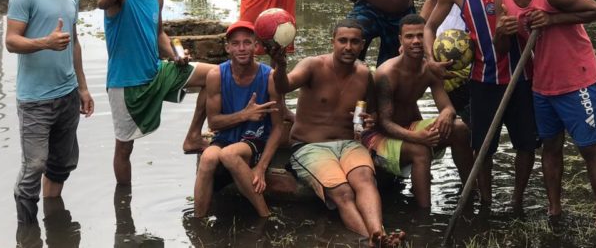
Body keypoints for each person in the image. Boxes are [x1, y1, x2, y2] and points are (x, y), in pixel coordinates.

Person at [492, 0, 596, 228]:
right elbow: (502, 51)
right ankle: (554, 209)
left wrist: (552, 19)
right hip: (543, 84)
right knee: (550, 146)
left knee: (588, 148)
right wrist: (503, 31)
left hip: (577, 80)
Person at [423, 0, 539, 213]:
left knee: (526, 144)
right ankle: (486, 204)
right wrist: (431, 60)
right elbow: (429, 27)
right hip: (483, 78)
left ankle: (517, 202)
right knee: (483, 147)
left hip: (523, 74)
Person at [273, 19, 405, 247]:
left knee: (365, 181)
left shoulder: (364, 74)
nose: (348, 47)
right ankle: (372, 240)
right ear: (332, 42)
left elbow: (372, 112)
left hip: (349, 144)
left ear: (362, 45)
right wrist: (280, 65)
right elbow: (283, 86)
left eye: (354, 42)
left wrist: (371, 119)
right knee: (343, 192)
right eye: (342, 40)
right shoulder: (312, 65)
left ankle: (377, 233)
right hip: (310, 146)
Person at [98, 0, 215, 185]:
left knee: (215, 75)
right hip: (126, 84)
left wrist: (175, 54)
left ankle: (194, 136)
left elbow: (159, 32)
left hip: (157, 71)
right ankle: (124, 201)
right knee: (124, 148)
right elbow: (101, 2)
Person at [5, 0, 94, 224]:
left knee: (61, 164)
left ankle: (54, 224)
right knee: (34, 166)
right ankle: (27, 233)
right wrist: (45, 42)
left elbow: (75, 41)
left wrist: (83, 88)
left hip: (67, 94)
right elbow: (11, 41)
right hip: (35, 99)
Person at [363, 14, 473, 208]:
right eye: (409, 36)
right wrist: (418, 137)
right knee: (420, 150)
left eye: (421, 35)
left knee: (460, 129)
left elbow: (445, 106)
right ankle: (424, 214)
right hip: (380, 135)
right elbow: (384, 123)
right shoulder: (387, 74)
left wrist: (448, 112)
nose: (416, 41)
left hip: (409, 128)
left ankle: (471, 193)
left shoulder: (430, 69)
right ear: (400, 40)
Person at [193, 21, 284, 217]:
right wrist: (245, 114)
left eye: (247, 42)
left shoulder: (269, 77)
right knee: (208, 158)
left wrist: (261, 167)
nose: (241, 48)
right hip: (225, 136)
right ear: (227, 48)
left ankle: (265, 215)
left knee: (229, 155)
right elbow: (214, 122)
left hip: (255, 137)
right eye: (235, 43)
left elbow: (278, 127)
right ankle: (197, 220)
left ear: (256, 46)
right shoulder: (216, 75)